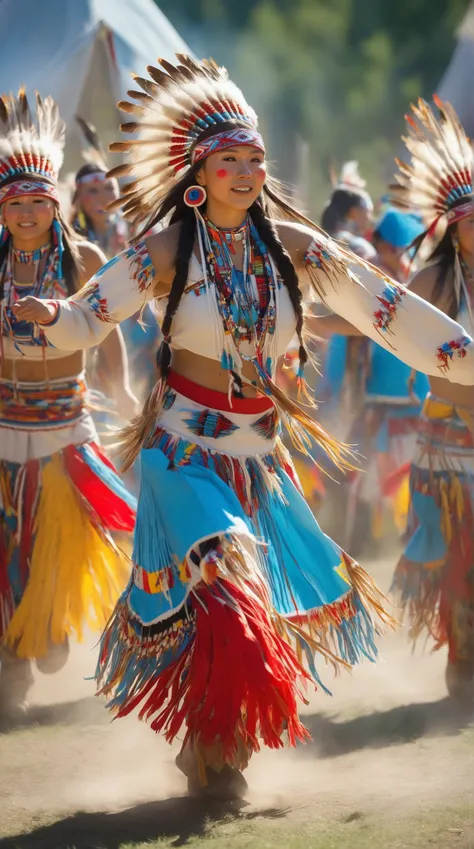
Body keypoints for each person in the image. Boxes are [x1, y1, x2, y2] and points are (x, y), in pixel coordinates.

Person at [14, 57, 474, 799]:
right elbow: (90, 312)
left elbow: (381, 308)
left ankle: (214, 747)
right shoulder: (166, 250)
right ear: (199, 167)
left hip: (258, 459)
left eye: (257, 157)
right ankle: (219, 749)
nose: (248, 169)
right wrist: (53, 318)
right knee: (224, 581)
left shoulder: (293, 246)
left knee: (241, 602)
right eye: (231, 158)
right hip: (183, 454)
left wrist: (462, 354)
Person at [0, 91, 137, 720]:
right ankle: (12, 662)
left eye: (37, 202)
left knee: (58, 546)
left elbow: (105, 331)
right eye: (15, 203)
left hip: (64, 427)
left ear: (55, 207)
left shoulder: (82, 258)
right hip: (5, 425)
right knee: (8, 552)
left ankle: (47, 628)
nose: (26, 214)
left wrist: (124, 389)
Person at [389, 98, 474, 702]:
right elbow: (385, 324)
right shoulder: (434, 283)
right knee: (462, 563)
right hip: (448, 446)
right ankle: (462, 652)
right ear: (452, 230)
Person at [331, 209, 430, 555]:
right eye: (399, 251)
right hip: (381, 402)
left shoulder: (416, 282)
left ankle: (400, 542)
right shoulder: (373, 280)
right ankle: (361, 542)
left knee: (413, 480)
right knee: (358, 477)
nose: (401, 259)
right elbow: (359, 326)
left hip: (414, 403)